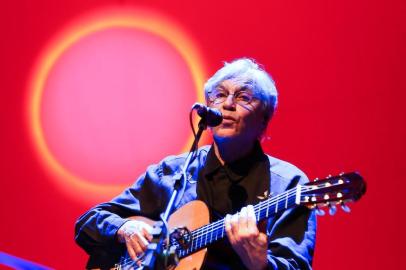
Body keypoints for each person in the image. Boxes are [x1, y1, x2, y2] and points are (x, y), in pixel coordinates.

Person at [75, 58, 317, 270]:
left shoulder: (288, 184)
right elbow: (89, 221)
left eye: (243, 97)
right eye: (219, 95)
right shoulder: (173, 172)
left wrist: (261, 264)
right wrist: (123, 229)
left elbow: (295, 264)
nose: (228, 104)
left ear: (263, 123)